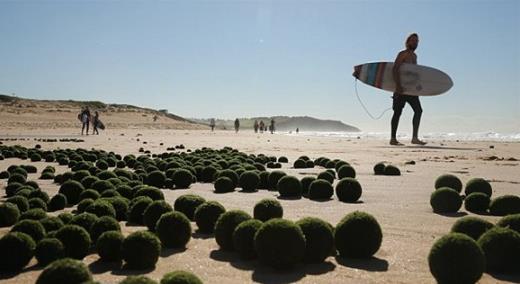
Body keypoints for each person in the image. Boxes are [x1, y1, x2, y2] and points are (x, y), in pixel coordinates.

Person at [390, 33, 426, 146]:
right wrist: (398, 86)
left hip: (411, 90)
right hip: (401, 89)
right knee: (397, 113)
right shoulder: (402, 54)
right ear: (407, 42)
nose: (415, 43)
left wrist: (417, 88)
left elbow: (414, 74)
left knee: (418, 111)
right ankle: (393, 139)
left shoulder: (415, 56)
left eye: (417, 41)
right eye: (413, 41)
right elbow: (395, 69)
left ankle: (414, 138)